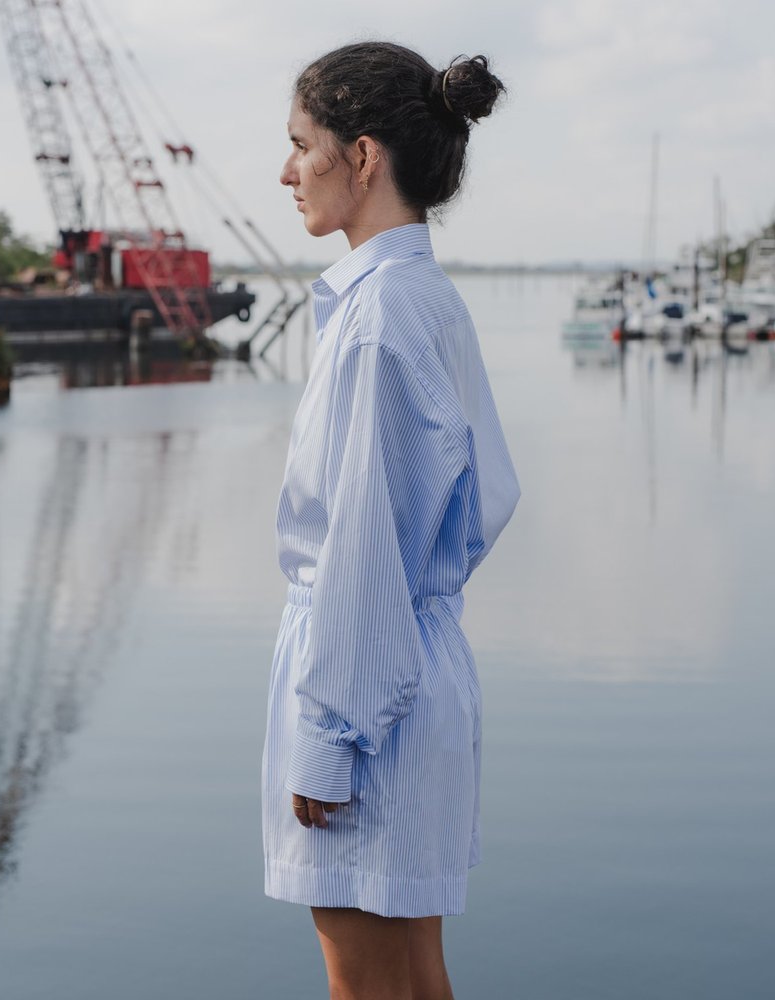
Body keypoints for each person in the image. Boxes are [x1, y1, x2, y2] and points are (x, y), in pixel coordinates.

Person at [262, 41, 520, 999]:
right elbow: (480, 503)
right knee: (413, 978)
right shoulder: (421, 300)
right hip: (407, 673)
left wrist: (328, 739)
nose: (287, 170)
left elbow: (367, 547)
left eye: (302, 144)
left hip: (369, 697)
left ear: (362, 156)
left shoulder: (377, 322)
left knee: (368, 985)